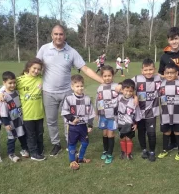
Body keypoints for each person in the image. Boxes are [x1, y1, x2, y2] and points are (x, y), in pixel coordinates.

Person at [36, 24, 103, 157]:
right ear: (52, 35)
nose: (58, 36)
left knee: (70, 120)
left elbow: (85, 68)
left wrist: (102, 80)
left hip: (67, 93)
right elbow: (34, 68)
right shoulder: (44, 49)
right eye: (56, 34)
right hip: (48, 92)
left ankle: (69, 142)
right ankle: (56, 144)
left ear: (64, 35)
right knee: (51, 121)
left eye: (61, 34)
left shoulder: (71, 51)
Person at [0, 58, 45, 161]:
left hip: (39, 112)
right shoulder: (20, 80)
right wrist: (0, 93)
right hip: (27, 114)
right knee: (31, 134)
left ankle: (40, 149)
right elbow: (7, 85)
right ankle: (33, 153)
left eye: (39, 69)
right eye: (34, 68)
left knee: (40, 132)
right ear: (29, 67)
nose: (36, 71)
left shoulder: (41, 78)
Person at [61, 74, 95, 170]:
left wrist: (90, 125)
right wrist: (72, 119)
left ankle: (80, 158)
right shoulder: (68, 99)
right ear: (72, 87)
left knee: (85, 143)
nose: (80, 88)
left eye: (81, 86)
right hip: (73, 127)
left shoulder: (87, 99)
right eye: (77, 86)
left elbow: (91, 113)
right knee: (72, 144)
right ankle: (72, 161)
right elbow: (64, 111)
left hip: (83, 126)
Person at [131, 58, 161, 162]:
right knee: (141, 132)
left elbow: (171, 77)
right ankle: (144, 149)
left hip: (152, 112)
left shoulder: (158, 78)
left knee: (151, 133)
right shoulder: (137, 79)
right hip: (139, 112)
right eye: (146, 70)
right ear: (142, 70)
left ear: (155, 69)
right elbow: (126, 86)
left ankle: (152, 151)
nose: (148, 72)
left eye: (150, 69)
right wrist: (134, 96)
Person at [157, 63, 179, 161]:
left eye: (172, 73)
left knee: (178, 132)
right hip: (165, 114)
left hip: (178, 114)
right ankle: (165, 149)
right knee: (166, 132)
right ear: (164, 73)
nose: (169, 75)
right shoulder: (161, 83)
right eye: (167, 73)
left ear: (177, 73)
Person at [0, 71, 29, 163]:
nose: (12, 85)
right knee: (12, 138)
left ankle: (24, 149)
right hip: (10, 121)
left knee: (22, 135)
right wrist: (6, 123)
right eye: (10, 83)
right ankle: (11, 153)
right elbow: (3, 112)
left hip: (20, 119)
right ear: (4, 83)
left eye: (14, 82)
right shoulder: (4, 97)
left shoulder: (17, 92)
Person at [96, 65, 119, 164]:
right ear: (102, 76)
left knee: (110, 133)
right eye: (105, 76)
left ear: (113, 75)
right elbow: (98, 100)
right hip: (103, 115)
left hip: (112, 115)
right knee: (104, 133)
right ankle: (105, 151)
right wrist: (96, 112)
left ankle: (110, 154)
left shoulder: (116, 87)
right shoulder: (100, 87)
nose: (107, 78)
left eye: (109, 75)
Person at [117, 79, 141, 160]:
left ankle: (129, 153)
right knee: (122, 138)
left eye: (131, 91)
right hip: (120, 122)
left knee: (128, 138)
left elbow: (137, 112)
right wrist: (120, 84)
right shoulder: (118, 97)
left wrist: (135, 123)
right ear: (122, 90)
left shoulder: (134, 101)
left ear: (133, 91)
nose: (128, 93)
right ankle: (123, 152)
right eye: (126, 91)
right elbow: (114, 88)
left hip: (130, 123)